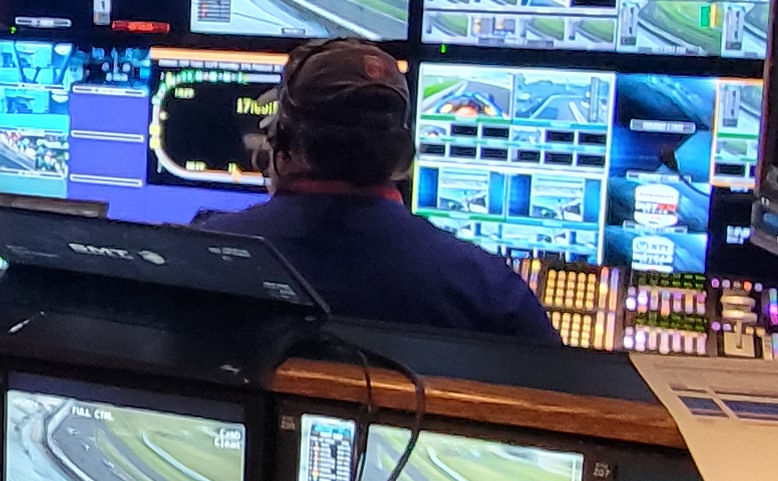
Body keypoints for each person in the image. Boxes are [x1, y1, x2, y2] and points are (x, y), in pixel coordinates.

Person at [195, 40, 555, 339]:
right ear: (403, 153)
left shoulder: (201, 257)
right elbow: (558, 393)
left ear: (282, 141)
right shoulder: (489, 289)